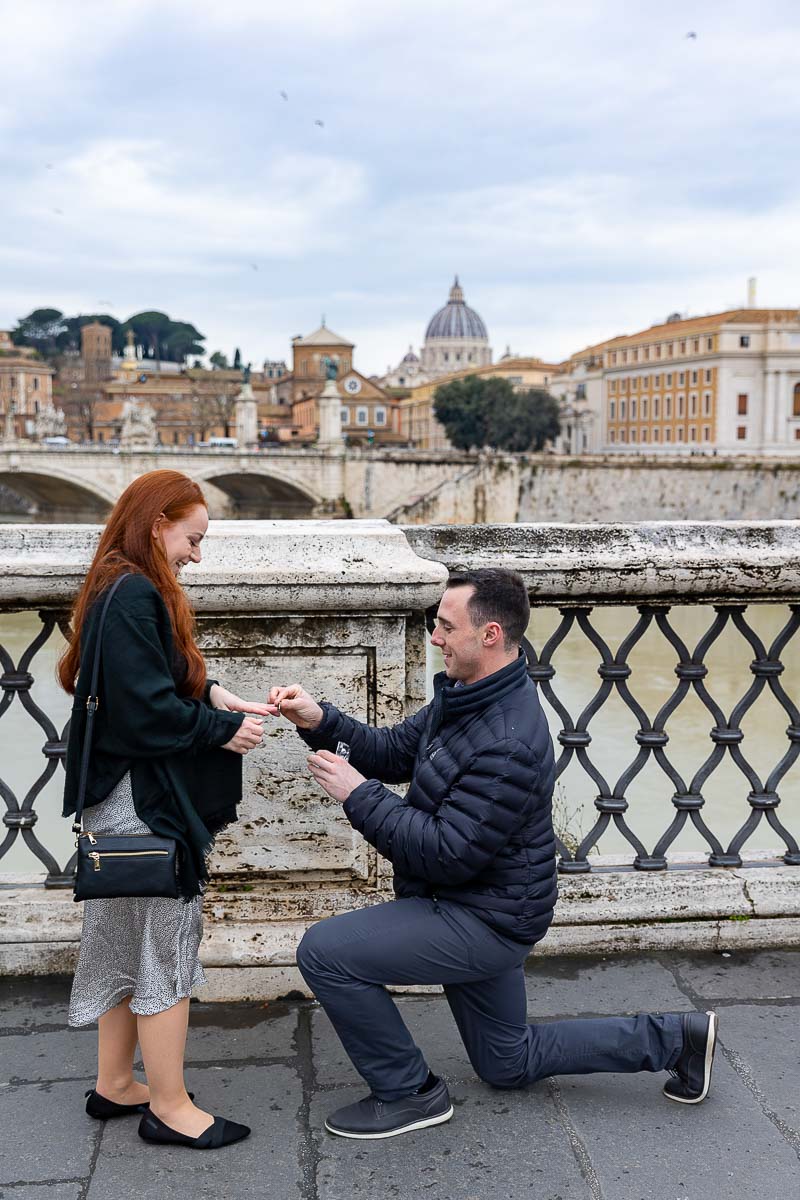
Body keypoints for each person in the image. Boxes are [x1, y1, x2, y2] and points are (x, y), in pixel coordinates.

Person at [269, 568, 719, 1140]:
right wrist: (319, 720)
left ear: (489, 635)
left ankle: (409, 1093)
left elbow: (446, 854)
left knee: (325, 952)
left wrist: (359, 794)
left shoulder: (507, 738)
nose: (434, 637)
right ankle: (678, 1038)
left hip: (482, 920)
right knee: (507, 1063)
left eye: (444, 626)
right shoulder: (465, 697)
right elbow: (392, 751)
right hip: (484, 904)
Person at [60, 469, 269, 1150]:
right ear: (158, 524)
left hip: (114, 797)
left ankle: (117, 1083)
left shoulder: (117, 585)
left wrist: (215, 695)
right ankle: (171, 1106)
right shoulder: (134, 593)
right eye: (192, 538)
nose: (195, 556)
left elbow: (148, 676)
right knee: (164, 946)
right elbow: (147, 712)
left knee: (123, 942)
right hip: (140, 800)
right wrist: (220, 730)